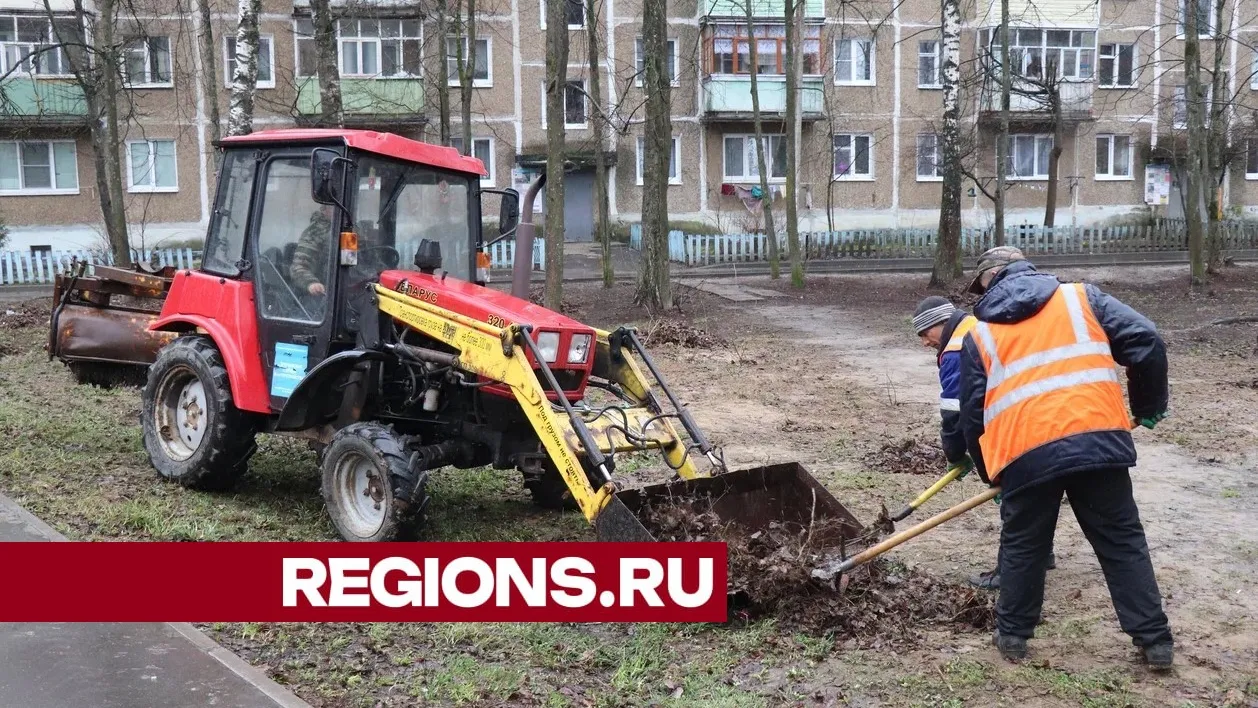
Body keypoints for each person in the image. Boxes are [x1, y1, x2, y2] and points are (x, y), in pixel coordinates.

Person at [957, 246, 1173, 669]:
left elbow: (972, 414)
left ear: (993, 276)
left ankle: (1014, 637)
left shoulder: (979, 335)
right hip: (1097, 443)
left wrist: (992, 474)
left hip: (1024, 455)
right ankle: (1155, 641)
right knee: (1121, 543)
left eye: (979, 282)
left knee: (1023, 546)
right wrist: (1148, 404)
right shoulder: (1081, 298)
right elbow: (1145, 339)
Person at [290, 205, 334, 296]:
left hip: (358, 292)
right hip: (327, 294)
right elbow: (299, 267)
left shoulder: (357, 231)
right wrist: (312, 283)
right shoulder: (315, 232)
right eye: (334, 206)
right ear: (324, 209)